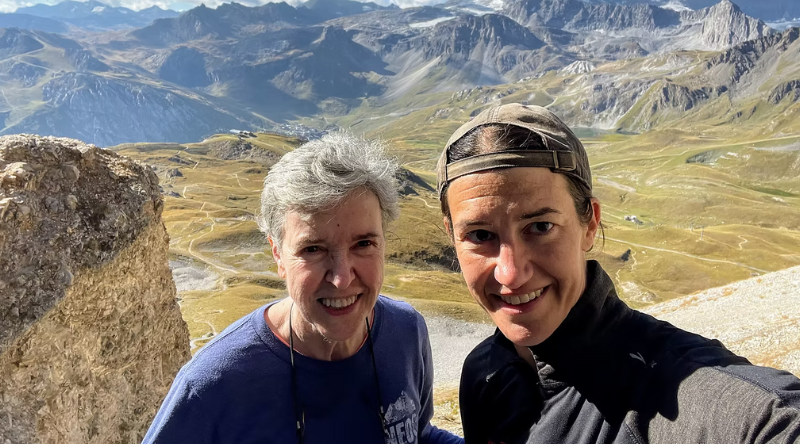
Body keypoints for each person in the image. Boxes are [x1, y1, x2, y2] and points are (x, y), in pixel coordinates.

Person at [436, 103, 800, 444]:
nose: (511, 274)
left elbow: (772, 417)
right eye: (480, 236)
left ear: (590, 224)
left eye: (541, 227)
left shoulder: (686, 389)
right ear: (452, 236)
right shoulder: (485, 373)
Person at [144, 132, 462, 444]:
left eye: (364, 244)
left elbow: (419, 435)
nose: (341, 278)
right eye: (313, 249)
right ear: (278, 255)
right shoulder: (212, 384)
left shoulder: (406, 331)